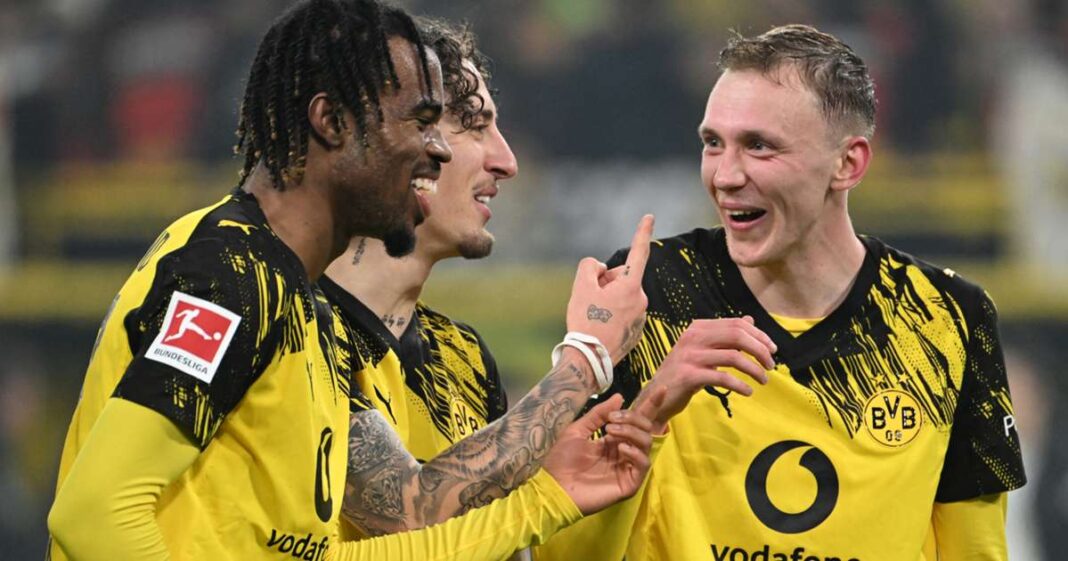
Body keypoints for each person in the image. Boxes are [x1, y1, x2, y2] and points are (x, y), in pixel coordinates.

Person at [46, 2, 661, 559]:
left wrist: (548, 500)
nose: (437, 151)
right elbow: (96, 514)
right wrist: (584, 361)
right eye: (423, 122)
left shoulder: (301, 308)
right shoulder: (232, 269)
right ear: (333, 122)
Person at [535, 24, 1027, 561]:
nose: (725, 176)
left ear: (848, 163)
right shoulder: (645, 293)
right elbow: (566, 552)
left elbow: (975, 549)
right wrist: (648, 414)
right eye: (713, 143)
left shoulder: (946, 317)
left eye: (759, 146)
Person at [321, 16, 777, 543]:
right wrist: (587, 356)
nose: (507, 161)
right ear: (390, 138)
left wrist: (644, 418)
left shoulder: (462, 356)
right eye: (475, 126)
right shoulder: (298, 325)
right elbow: (408, 512)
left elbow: (503, 543)